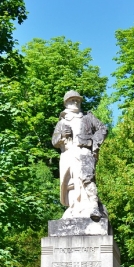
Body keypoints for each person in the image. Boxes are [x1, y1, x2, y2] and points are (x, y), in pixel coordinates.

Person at [52, 90, 108, 221]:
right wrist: (62, 136)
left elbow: (103, 129)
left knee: (86, 178)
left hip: (84, 152)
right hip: (67, 154)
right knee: (70, 182)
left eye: (78, 100)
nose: (76, 102)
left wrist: (94, 143)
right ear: (66, 103)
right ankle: (74, 207)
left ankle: (93, 206)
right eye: (72, 100)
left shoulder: (88, 117)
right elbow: (54, 141)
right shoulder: (61, 123)